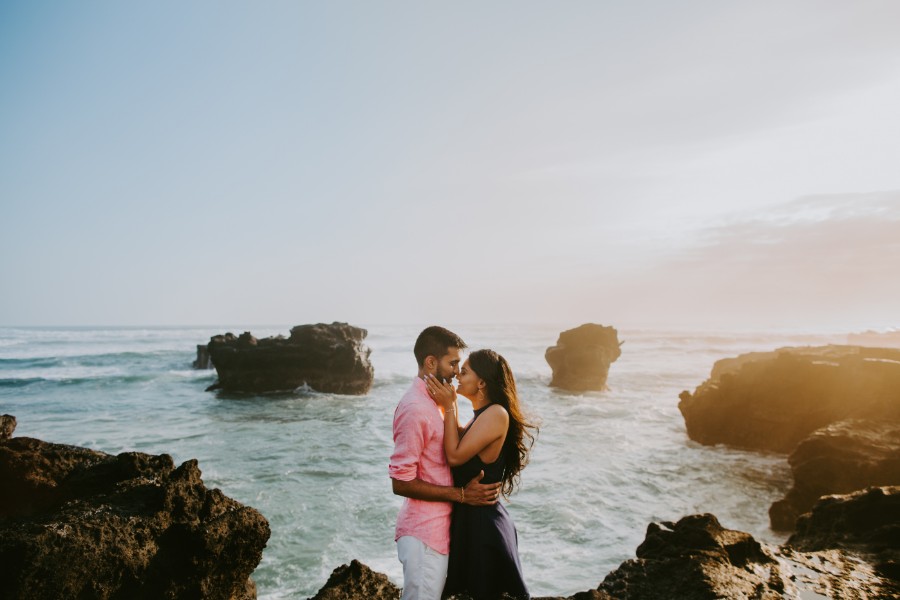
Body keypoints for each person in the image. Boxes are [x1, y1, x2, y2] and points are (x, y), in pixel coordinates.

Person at [389, 326, 503, 600]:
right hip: (424, 535)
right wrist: (462, 495)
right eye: (452, 363)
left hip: (440, 531)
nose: (456, 371)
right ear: (430, 362)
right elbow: (400, 482)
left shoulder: (437, 403)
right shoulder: (416, 408)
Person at [425, 349, 537, 600]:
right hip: (471, 521)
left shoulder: (496, 414)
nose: (457, 377)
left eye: (464, 372)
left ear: (482, 382)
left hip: (483, 528)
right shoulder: (478, 419)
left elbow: (453, 456)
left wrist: (450, 405)